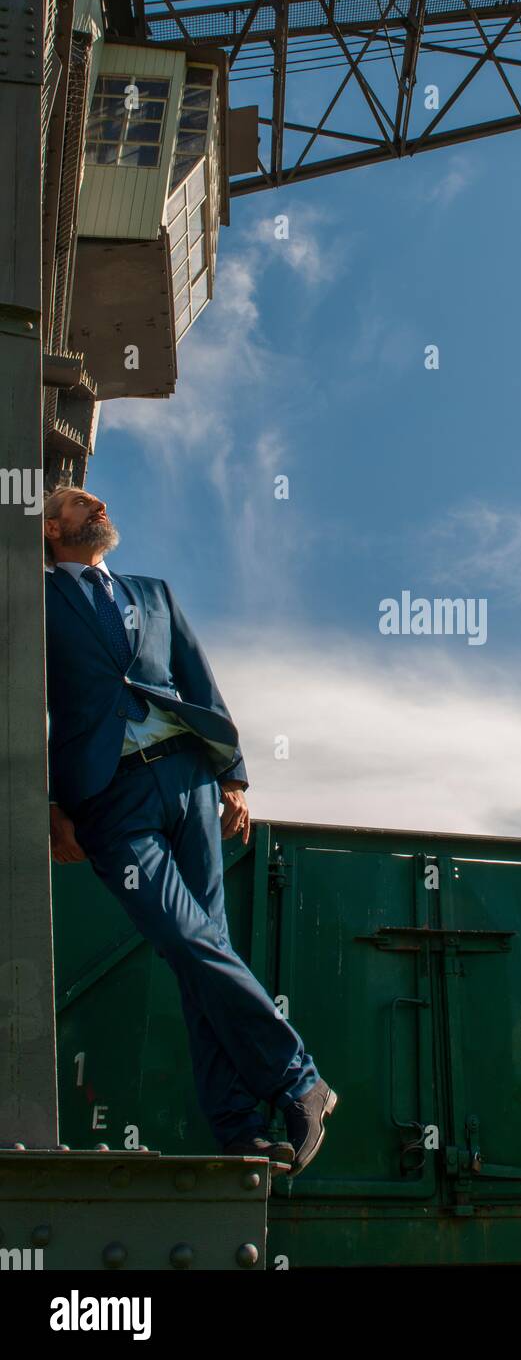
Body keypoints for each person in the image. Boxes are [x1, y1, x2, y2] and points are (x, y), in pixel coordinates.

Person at [43, 485, 337, 1175]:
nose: (99, 503)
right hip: (110, 800)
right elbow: (23, 701)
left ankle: (239, 1128)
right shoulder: (34, 600)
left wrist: (233, 777)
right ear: (52, 528)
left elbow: (199, 686)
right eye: (79, 502)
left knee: (203, 952)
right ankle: (298, 1080)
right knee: (187, 937)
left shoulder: (154, 593)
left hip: (189, 780)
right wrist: (50, 803)